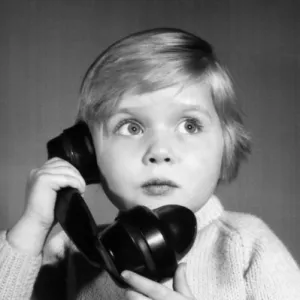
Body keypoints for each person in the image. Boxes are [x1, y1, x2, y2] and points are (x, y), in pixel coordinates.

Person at [0, 27, 300, 300]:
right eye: (131, 127)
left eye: (190, 126)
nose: (159, 151)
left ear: (226, 144)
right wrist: (30, 232)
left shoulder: (247, 246)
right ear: (86, 154)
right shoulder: (69, 252)